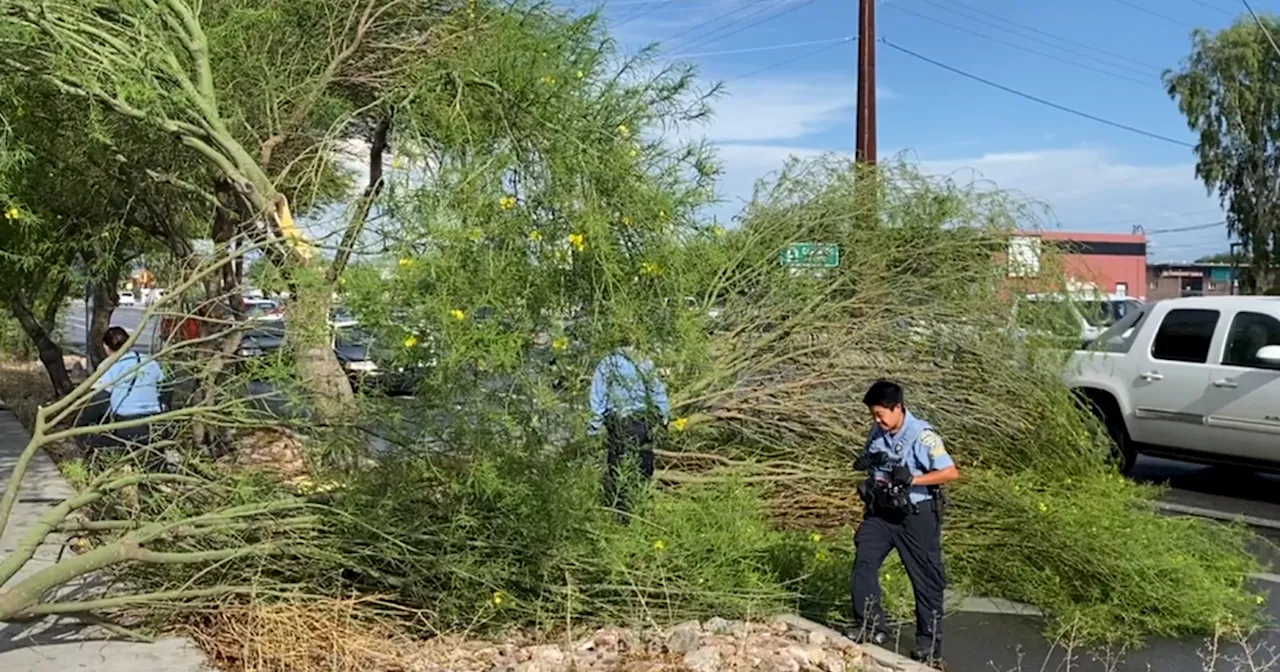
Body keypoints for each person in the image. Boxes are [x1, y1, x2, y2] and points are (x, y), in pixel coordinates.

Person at [848, 380, 959, 669]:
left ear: (898, 408)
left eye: (881, 414)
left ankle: (928, 646)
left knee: (926, 580)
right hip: (882, 514)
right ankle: (872, 626)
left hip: (916, 515)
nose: (877, 420)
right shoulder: (878, 430)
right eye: (873, 415)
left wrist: (913, 479)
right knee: (864, 560)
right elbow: (876, 460)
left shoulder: (923, 436)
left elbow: (950, 473)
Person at [587, 345, 671, 523]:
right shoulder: (643, 359)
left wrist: (594, 426)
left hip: (619, 422)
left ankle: (622, 513)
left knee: (619, 465)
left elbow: (598, 395)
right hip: (642, 421)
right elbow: (656, 388)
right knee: (644, 464)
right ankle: (640, 506)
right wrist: (664, 415)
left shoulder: (607, 363)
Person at [87, 326, 168, 453]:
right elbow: (165, 388)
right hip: (153, 423)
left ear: (106, 347)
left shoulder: (109, 366)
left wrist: (83, 422)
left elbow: (99, 398)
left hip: (125, 425)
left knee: (95, 444)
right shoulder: (149, 361)